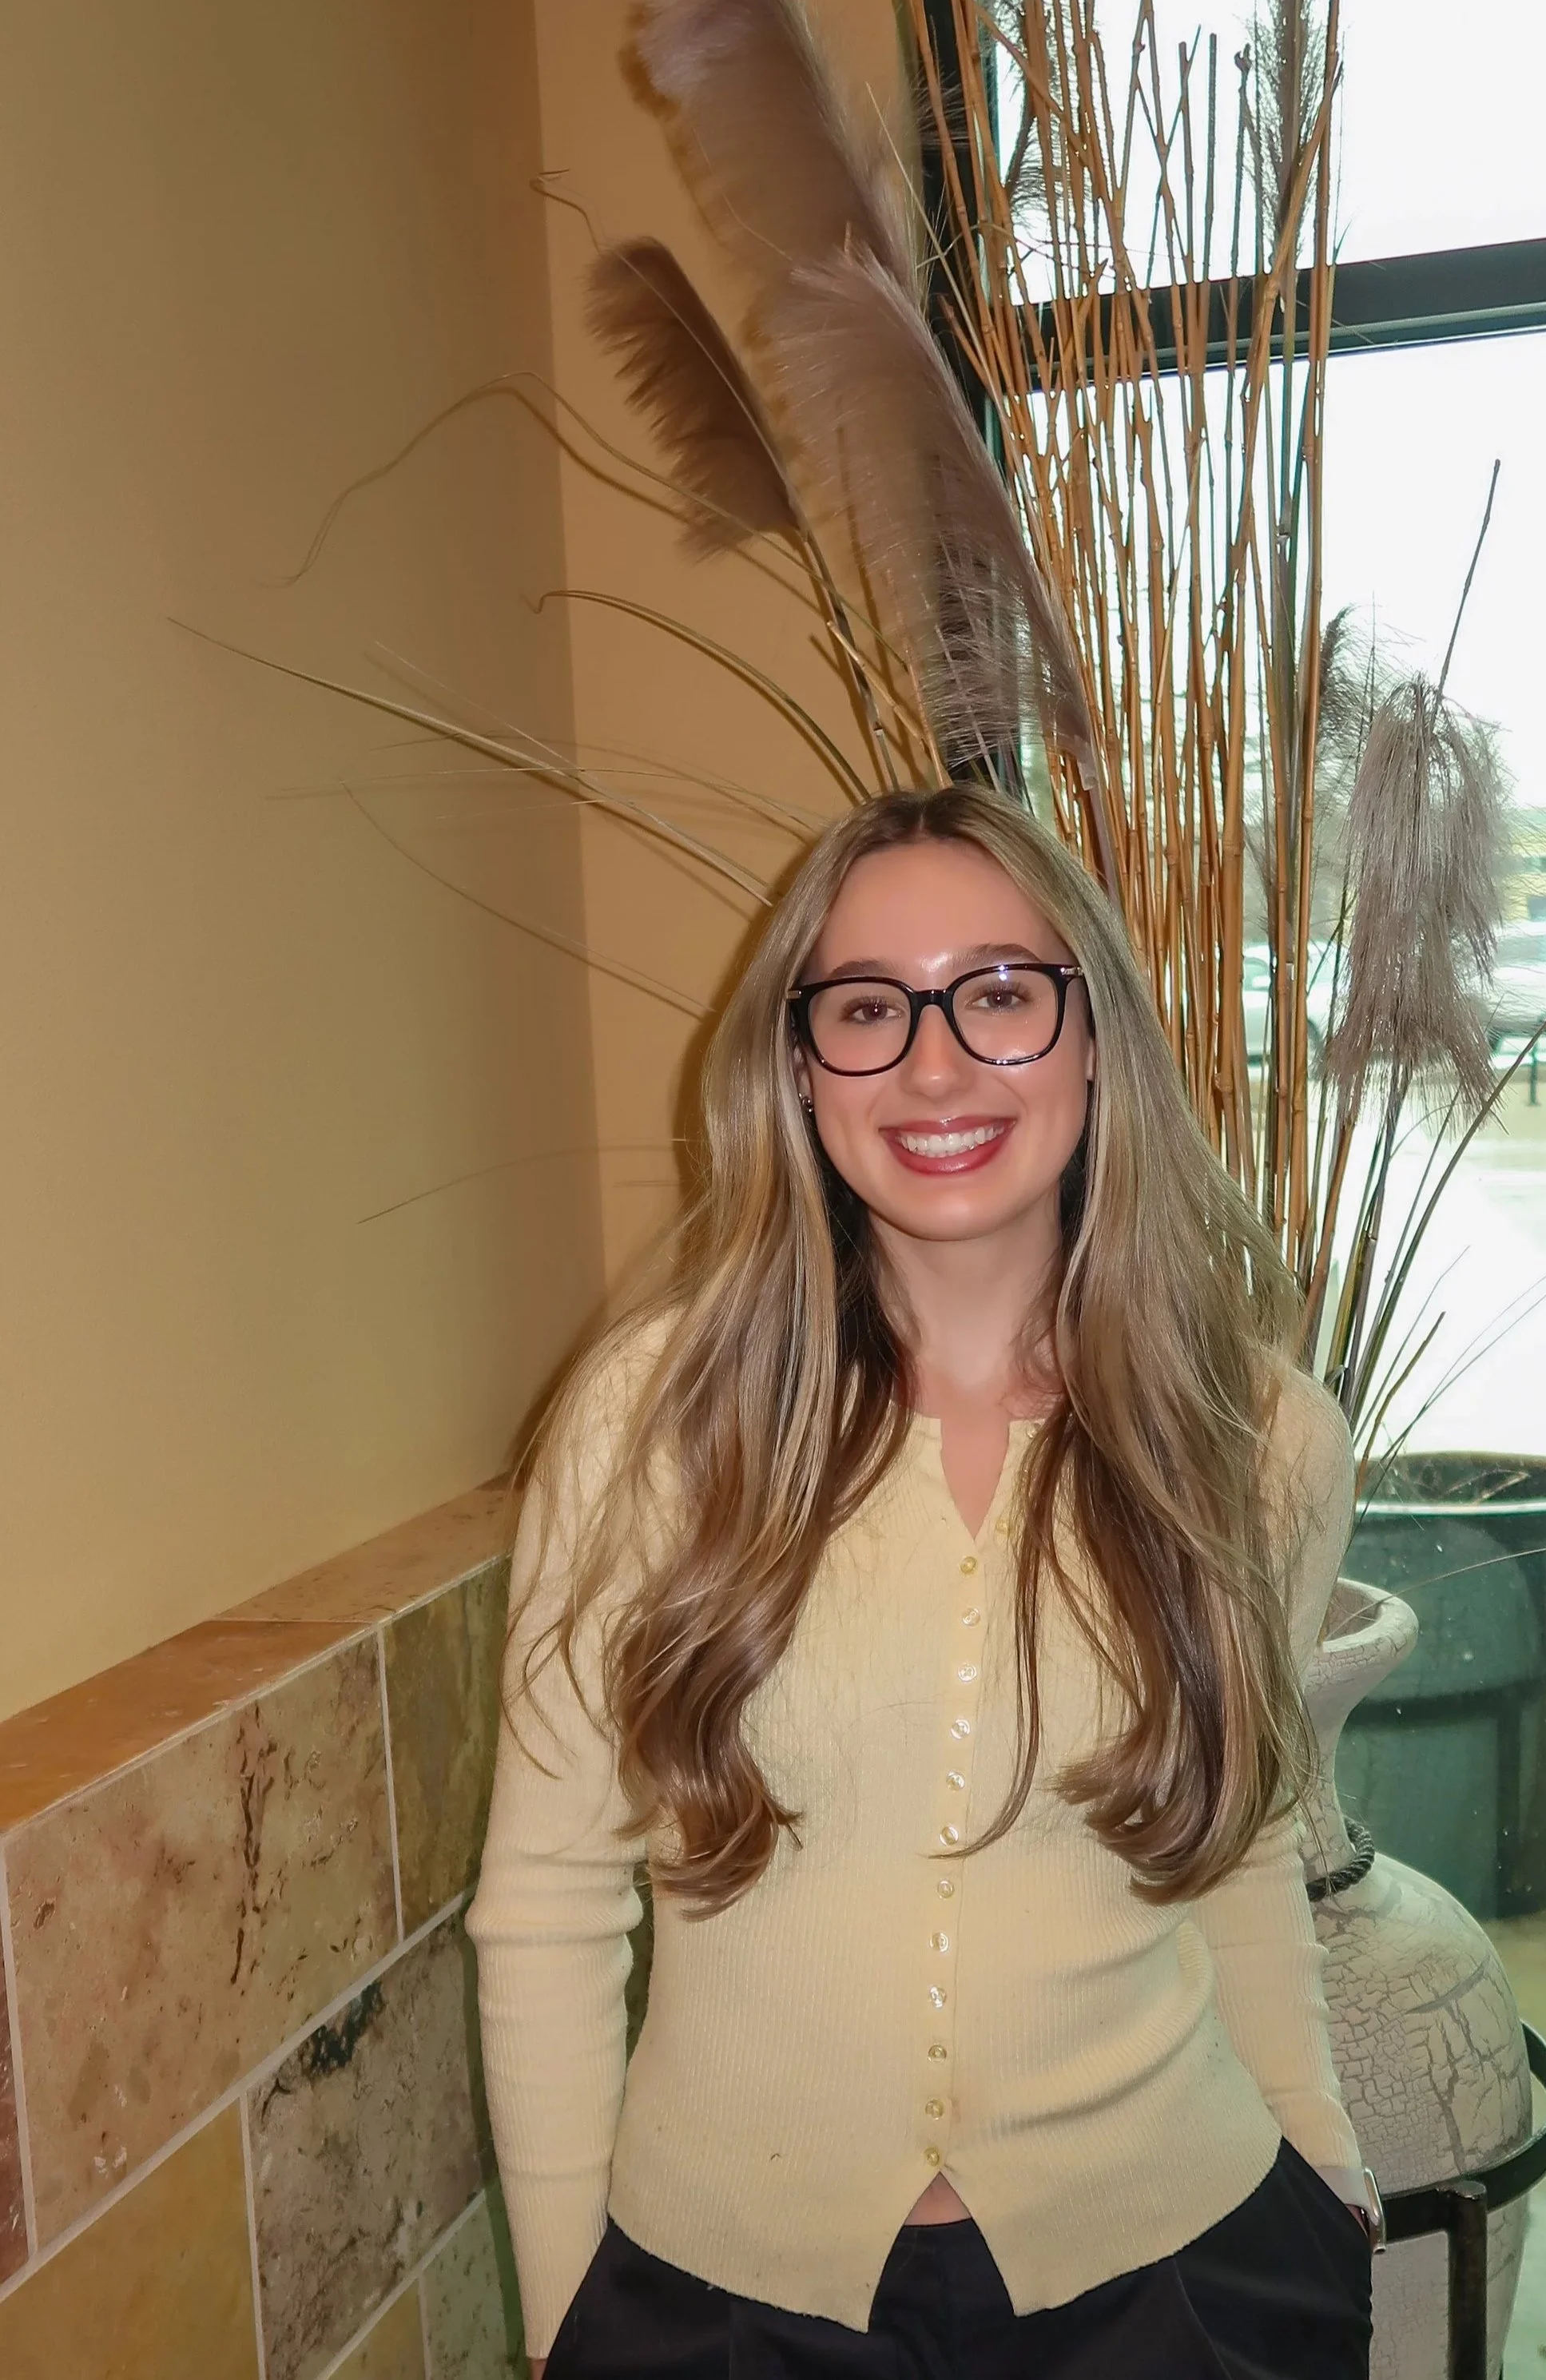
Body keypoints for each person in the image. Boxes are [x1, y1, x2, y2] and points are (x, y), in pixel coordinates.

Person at [467, 785, 1377, 2380]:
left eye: (1000, 995)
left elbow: (1237, 1846)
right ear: (797, 1066)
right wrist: (563, 2315)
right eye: (868, 1008)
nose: (934, 1066)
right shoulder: (648, 1424)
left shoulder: (1263, 1444)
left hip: (1180, 2278)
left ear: (1094, 1040)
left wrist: (1321, 2155)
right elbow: (546, 1902)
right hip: (714, 2302)